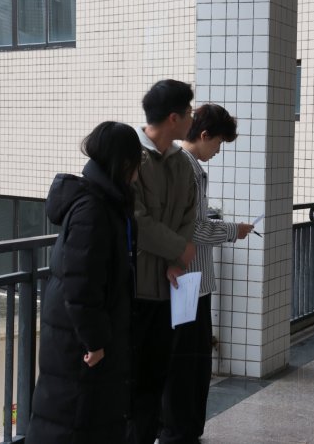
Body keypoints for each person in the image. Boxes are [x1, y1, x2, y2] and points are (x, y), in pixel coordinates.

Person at [26, 122, 142, 444]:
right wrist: (94, 341)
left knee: (87, 418)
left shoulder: (107, 201)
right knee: (74, 420)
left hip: (84, 335)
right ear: (124, 162)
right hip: (79, 342)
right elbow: (81, 285)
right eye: (138, 161)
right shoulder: (93, 208)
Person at [128, 79, 199, 444]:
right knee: (130, 380)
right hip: (135, 290)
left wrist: (178, 260)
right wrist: (178, 250)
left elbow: (190, 214)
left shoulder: (182, 163)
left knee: (156, 377)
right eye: (189, 112)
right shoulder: (131, 157)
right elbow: (136, 221)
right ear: (174, 117)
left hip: (168, 290)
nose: (192, 119)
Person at [179, 104, 254, 440]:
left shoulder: (185, 165)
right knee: (190, 360)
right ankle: (182, 428)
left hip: (189, 280)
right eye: (219, 143)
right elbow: (193, 229)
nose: (219, 151)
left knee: (191, 358)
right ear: (204, 134)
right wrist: (232, 230)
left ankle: (184, 426)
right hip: (187, 281)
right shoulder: (187, 168)